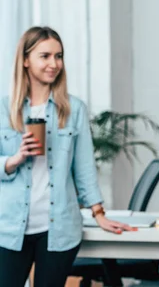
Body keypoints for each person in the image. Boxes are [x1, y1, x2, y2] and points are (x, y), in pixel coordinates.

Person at [0, 26, 132, 287]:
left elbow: (84, 167)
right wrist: (12, 160)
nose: (54, 64)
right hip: (9, 228)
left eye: (58, 56)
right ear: (25, 60)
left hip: (58, 228)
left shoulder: (73, 110)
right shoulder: (4, 109)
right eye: (45, 56)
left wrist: (98, 212)